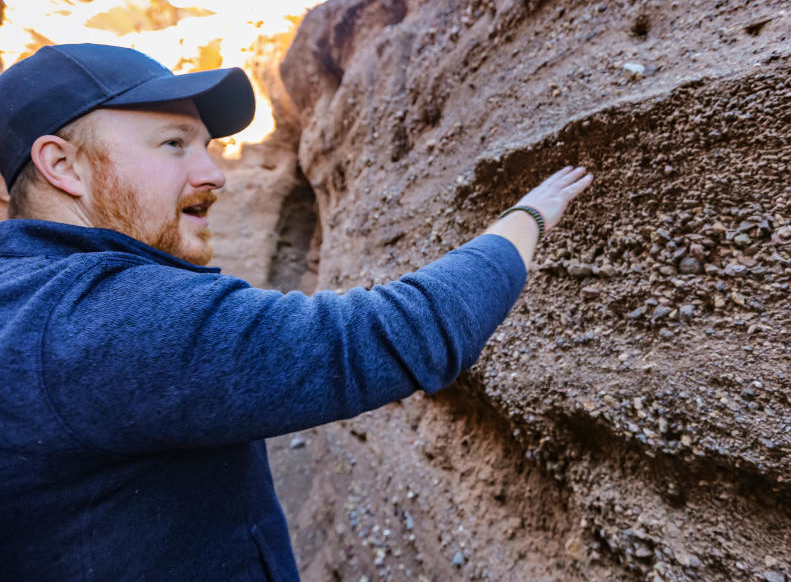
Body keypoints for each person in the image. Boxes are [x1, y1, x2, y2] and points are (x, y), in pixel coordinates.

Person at [0, 43, 592, 581]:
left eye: (206, 147)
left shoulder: (26, 297)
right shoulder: (95, 319)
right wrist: (528, 217)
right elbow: (403, 331)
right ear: (63, 165)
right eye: (173, 143)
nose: (213, 175)